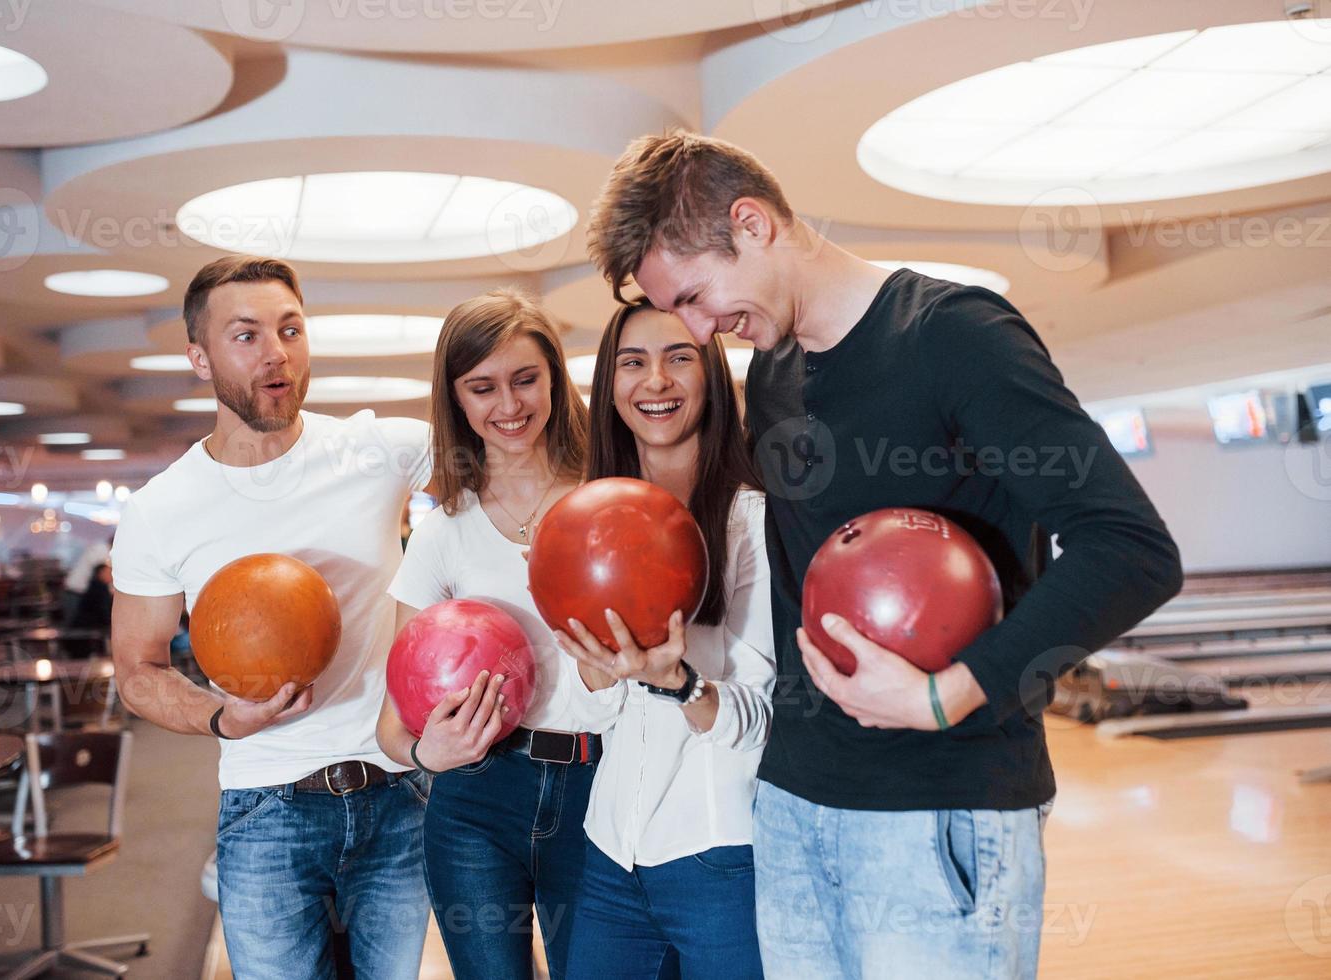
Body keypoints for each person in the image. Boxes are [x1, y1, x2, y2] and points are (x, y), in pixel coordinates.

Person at [586, 132, 1184, 978]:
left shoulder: (955, 335)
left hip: (939, 810)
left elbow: (1130, 548)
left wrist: (949, 693)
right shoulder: (775, 374)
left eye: (692, 295)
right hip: (792, 808)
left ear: (751, 224)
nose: (696, 329)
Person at [111, 255, 432, 980]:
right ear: (199, 356)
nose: (277, 352)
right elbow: (137, 669)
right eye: (246, 335)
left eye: (290, 329)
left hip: (398, 795)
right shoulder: (161, 509)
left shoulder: (380, 450)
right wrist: (222, 719)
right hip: (267, 810)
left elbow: (512, 468)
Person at [375, 289, 621, 980]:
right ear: (455, 400)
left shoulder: (606, 500)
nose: (508, 406)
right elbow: (393, 727)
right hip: (478, 799)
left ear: (553, 379)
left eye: (525, 380)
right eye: (482, 387)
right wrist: (430, 751)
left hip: (603, 782)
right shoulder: (443, 533)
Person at [555, 299, 773, 979]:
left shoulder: (750, 518)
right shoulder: (590, 522)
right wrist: (598, 674)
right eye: (633, 362)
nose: (656, 381)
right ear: (609, 384)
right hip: (609, 852)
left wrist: (677, 680)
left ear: (710, 373)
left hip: (720, 860)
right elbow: (582, 712)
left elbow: (757, 718)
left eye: (679, 357)